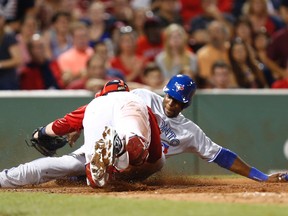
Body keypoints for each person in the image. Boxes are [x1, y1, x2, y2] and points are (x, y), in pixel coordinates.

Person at [2, 77, 288, 188]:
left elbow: (221, 155)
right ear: (164, 93)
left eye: (178, 101)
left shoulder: (188, 130)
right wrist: (80, 125)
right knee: (64, 165)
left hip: (146, 160)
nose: (171, 103)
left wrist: (260, 176)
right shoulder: (142, 97)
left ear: (186, 103)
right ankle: (8, 179)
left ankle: (104, 161)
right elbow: (106, 102)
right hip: (116, 137)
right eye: (170, 97)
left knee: (153, 156)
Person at [0, 80, 163, 188]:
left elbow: (62, 124)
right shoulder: (137, 100)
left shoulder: (96, 103)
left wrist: (41, 132)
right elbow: (155, 154)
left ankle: (4, 179)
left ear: (102, 93)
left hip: (93, 148)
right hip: (132, 123)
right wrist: (148, 162)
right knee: (140, 150)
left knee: (85, 175)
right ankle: (121, 147)